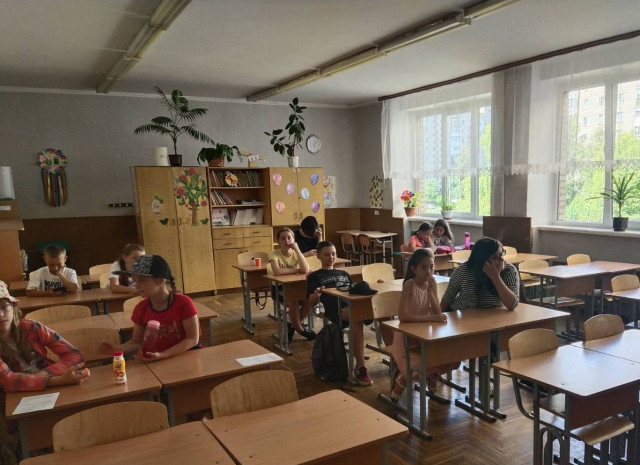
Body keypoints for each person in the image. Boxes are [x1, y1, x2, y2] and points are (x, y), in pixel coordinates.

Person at [99, 255, 200, 362]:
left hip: (187, 358)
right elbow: (137, 343)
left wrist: (163, 355)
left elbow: (192, 339)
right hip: (159, 361)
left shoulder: (183, 303)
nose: (136, 286)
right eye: (135, 280)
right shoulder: (141, 308)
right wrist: (118, 349)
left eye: (142, 280)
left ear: (160, 280)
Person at [0, 281, 88, 392]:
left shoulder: (32, 327)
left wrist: (44, 374)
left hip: (50, 384)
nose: (1, 314)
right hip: (15, 395)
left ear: (13, 306)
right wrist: (57, 380)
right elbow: (8, 381)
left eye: (4, 306)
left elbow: (76, 355)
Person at [389, 249, 453, 400]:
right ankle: (403, 379)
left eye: (431, 267)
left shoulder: (432, 283)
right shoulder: (409, 285)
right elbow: (403, 317)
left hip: (423, 333)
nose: (429, 272)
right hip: (405, 336)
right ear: (414, 269)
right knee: (416, 363)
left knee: (447, 355)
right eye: (424, 268)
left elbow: (437, 312)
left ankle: (433, 374)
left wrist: (431, 293)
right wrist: (429, 318)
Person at [307, 241, 373, 386]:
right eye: (327, 254)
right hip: (336, 310)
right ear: (318, 256)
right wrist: (316, 294)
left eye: (333, 254)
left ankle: (397, 359)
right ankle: (360, 366)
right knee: (356, 317)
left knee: (383, 312)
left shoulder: (344, 273)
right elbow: (311, 302)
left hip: (352, 305)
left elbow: (353, 290)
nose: (331, 257)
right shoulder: (315, 276)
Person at [440, 237, 519, 313]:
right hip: (464, 314)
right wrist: (438, 316)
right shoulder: (463, 270)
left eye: (502, 254)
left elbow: (512, 305)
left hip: (493, 315)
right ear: (482, 259)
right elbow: (447, 299)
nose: (502, 259)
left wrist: (495, 277)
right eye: (496, 257)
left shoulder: (509, 271)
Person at [269, 228, 314, 341]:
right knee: (293, 300)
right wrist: (296, 270)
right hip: (279, 289)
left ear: (294, 240)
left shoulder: (296, 253)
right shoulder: (274, 254)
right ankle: (300, 329)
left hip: (296, 287)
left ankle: (292, 326)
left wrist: (297, 250)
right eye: (283, 238)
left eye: (289, 238)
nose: (286, 241)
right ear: (278, 241)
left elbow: (305, 270)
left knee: (309, 300)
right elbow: (277, 272)